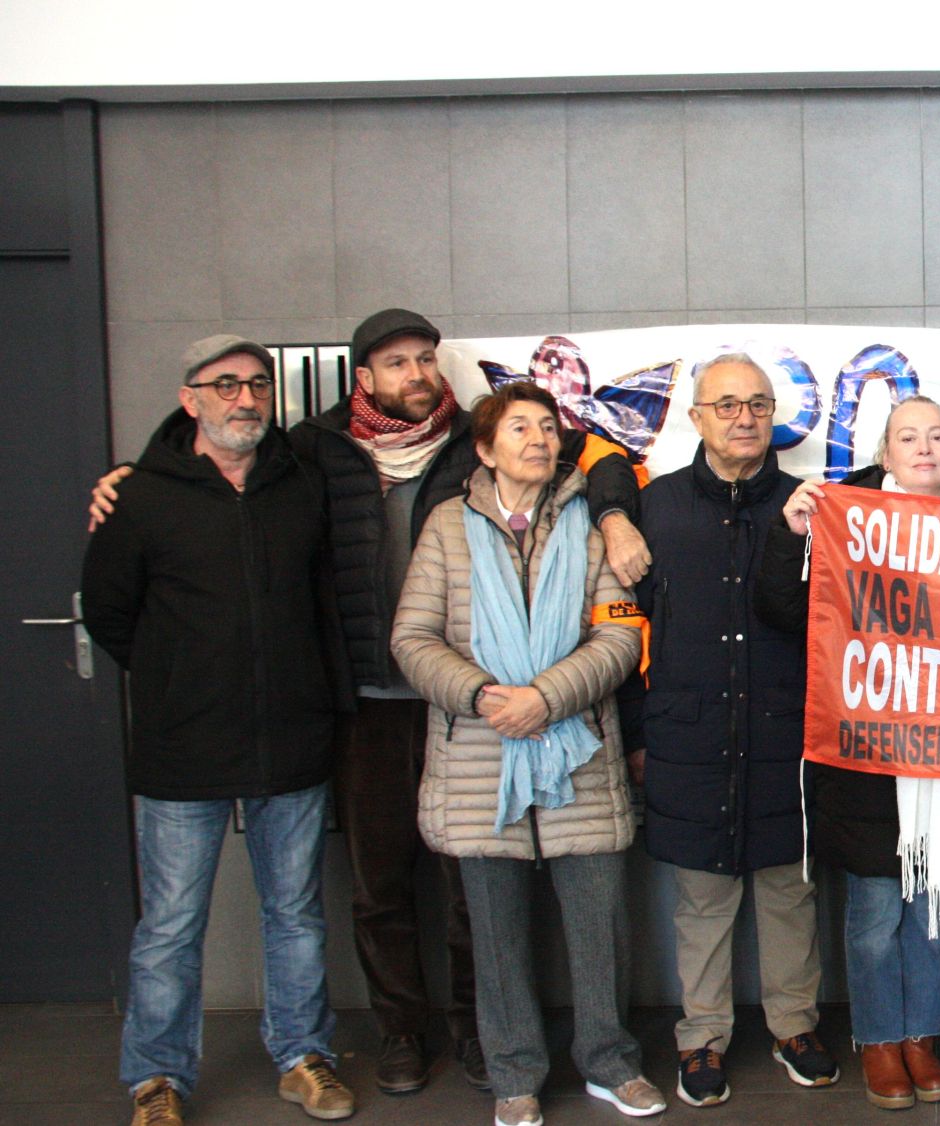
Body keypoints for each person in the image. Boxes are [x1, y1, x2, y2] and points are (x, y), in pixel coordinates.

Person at [85, 308, 645, 1096]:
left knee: (468, 887)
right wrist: (133, 478)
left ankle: (482, 1036)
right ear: (364, 380)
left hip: (471, 706)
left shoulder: (473, 441)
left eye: (426, 360)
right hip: (362, 700)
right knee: (378, 883)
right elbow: (205, 455)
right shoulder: (312, 449)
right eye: (396, 364)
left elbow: (598, 460)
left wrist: (616, 513)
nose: (417, 375)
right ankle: (400, 1034)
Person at [83, 334, 354, 1125]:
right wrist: (178, 678)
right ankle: (156, 1077)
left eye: (257, 385)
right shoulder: (139, 497)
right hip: (183, 748)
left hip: (290, 742)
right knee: (170, 926)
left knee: (296, 914)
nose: (245, 399)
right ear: (190, 397)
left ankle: (305, 1057)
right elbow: (109, 612)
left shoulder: (298, 484)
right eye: (226, 385)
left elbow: (323, 597)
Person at [390, 380, 659, 1126]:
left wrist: (546, 697)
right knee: (496, 938)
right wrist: (483, 697)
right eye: (519, 429)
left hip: (578, 756)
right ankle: (514, 1075)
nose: (539, 440)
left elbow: (620, 631)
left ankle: (611, 1063)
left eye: (548, 427)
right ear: (485, 449)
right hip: (480, 759)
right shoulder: (446, 527)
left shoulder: (592, 523)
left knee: (600, 926)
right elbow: (412, 640)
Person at [754, 396, 940, 1111]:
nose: (924, 449)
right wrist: (793, 535)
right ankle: (881, 1039)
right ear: (886, 454)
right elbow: (785, 613)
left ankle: (923, 1034)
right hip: (866, 755)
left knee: (933, 909)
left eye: (937, 437)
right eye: (907, 438)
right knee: (878, 910)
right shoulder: (845, 514)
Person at [632, 352, 839, 1108]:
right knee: (703, 897)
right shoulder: (653, 508)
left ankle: (795, 1025)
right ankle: (702, 1037)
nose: (745, 417)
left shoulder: (810, 504)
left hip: (786, 728)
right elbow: (629, 630)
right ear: (696, 419)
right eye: (727, 405)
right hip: (688, 731)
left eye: (757, 403)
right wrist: (635, 733)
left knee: (791, 889)